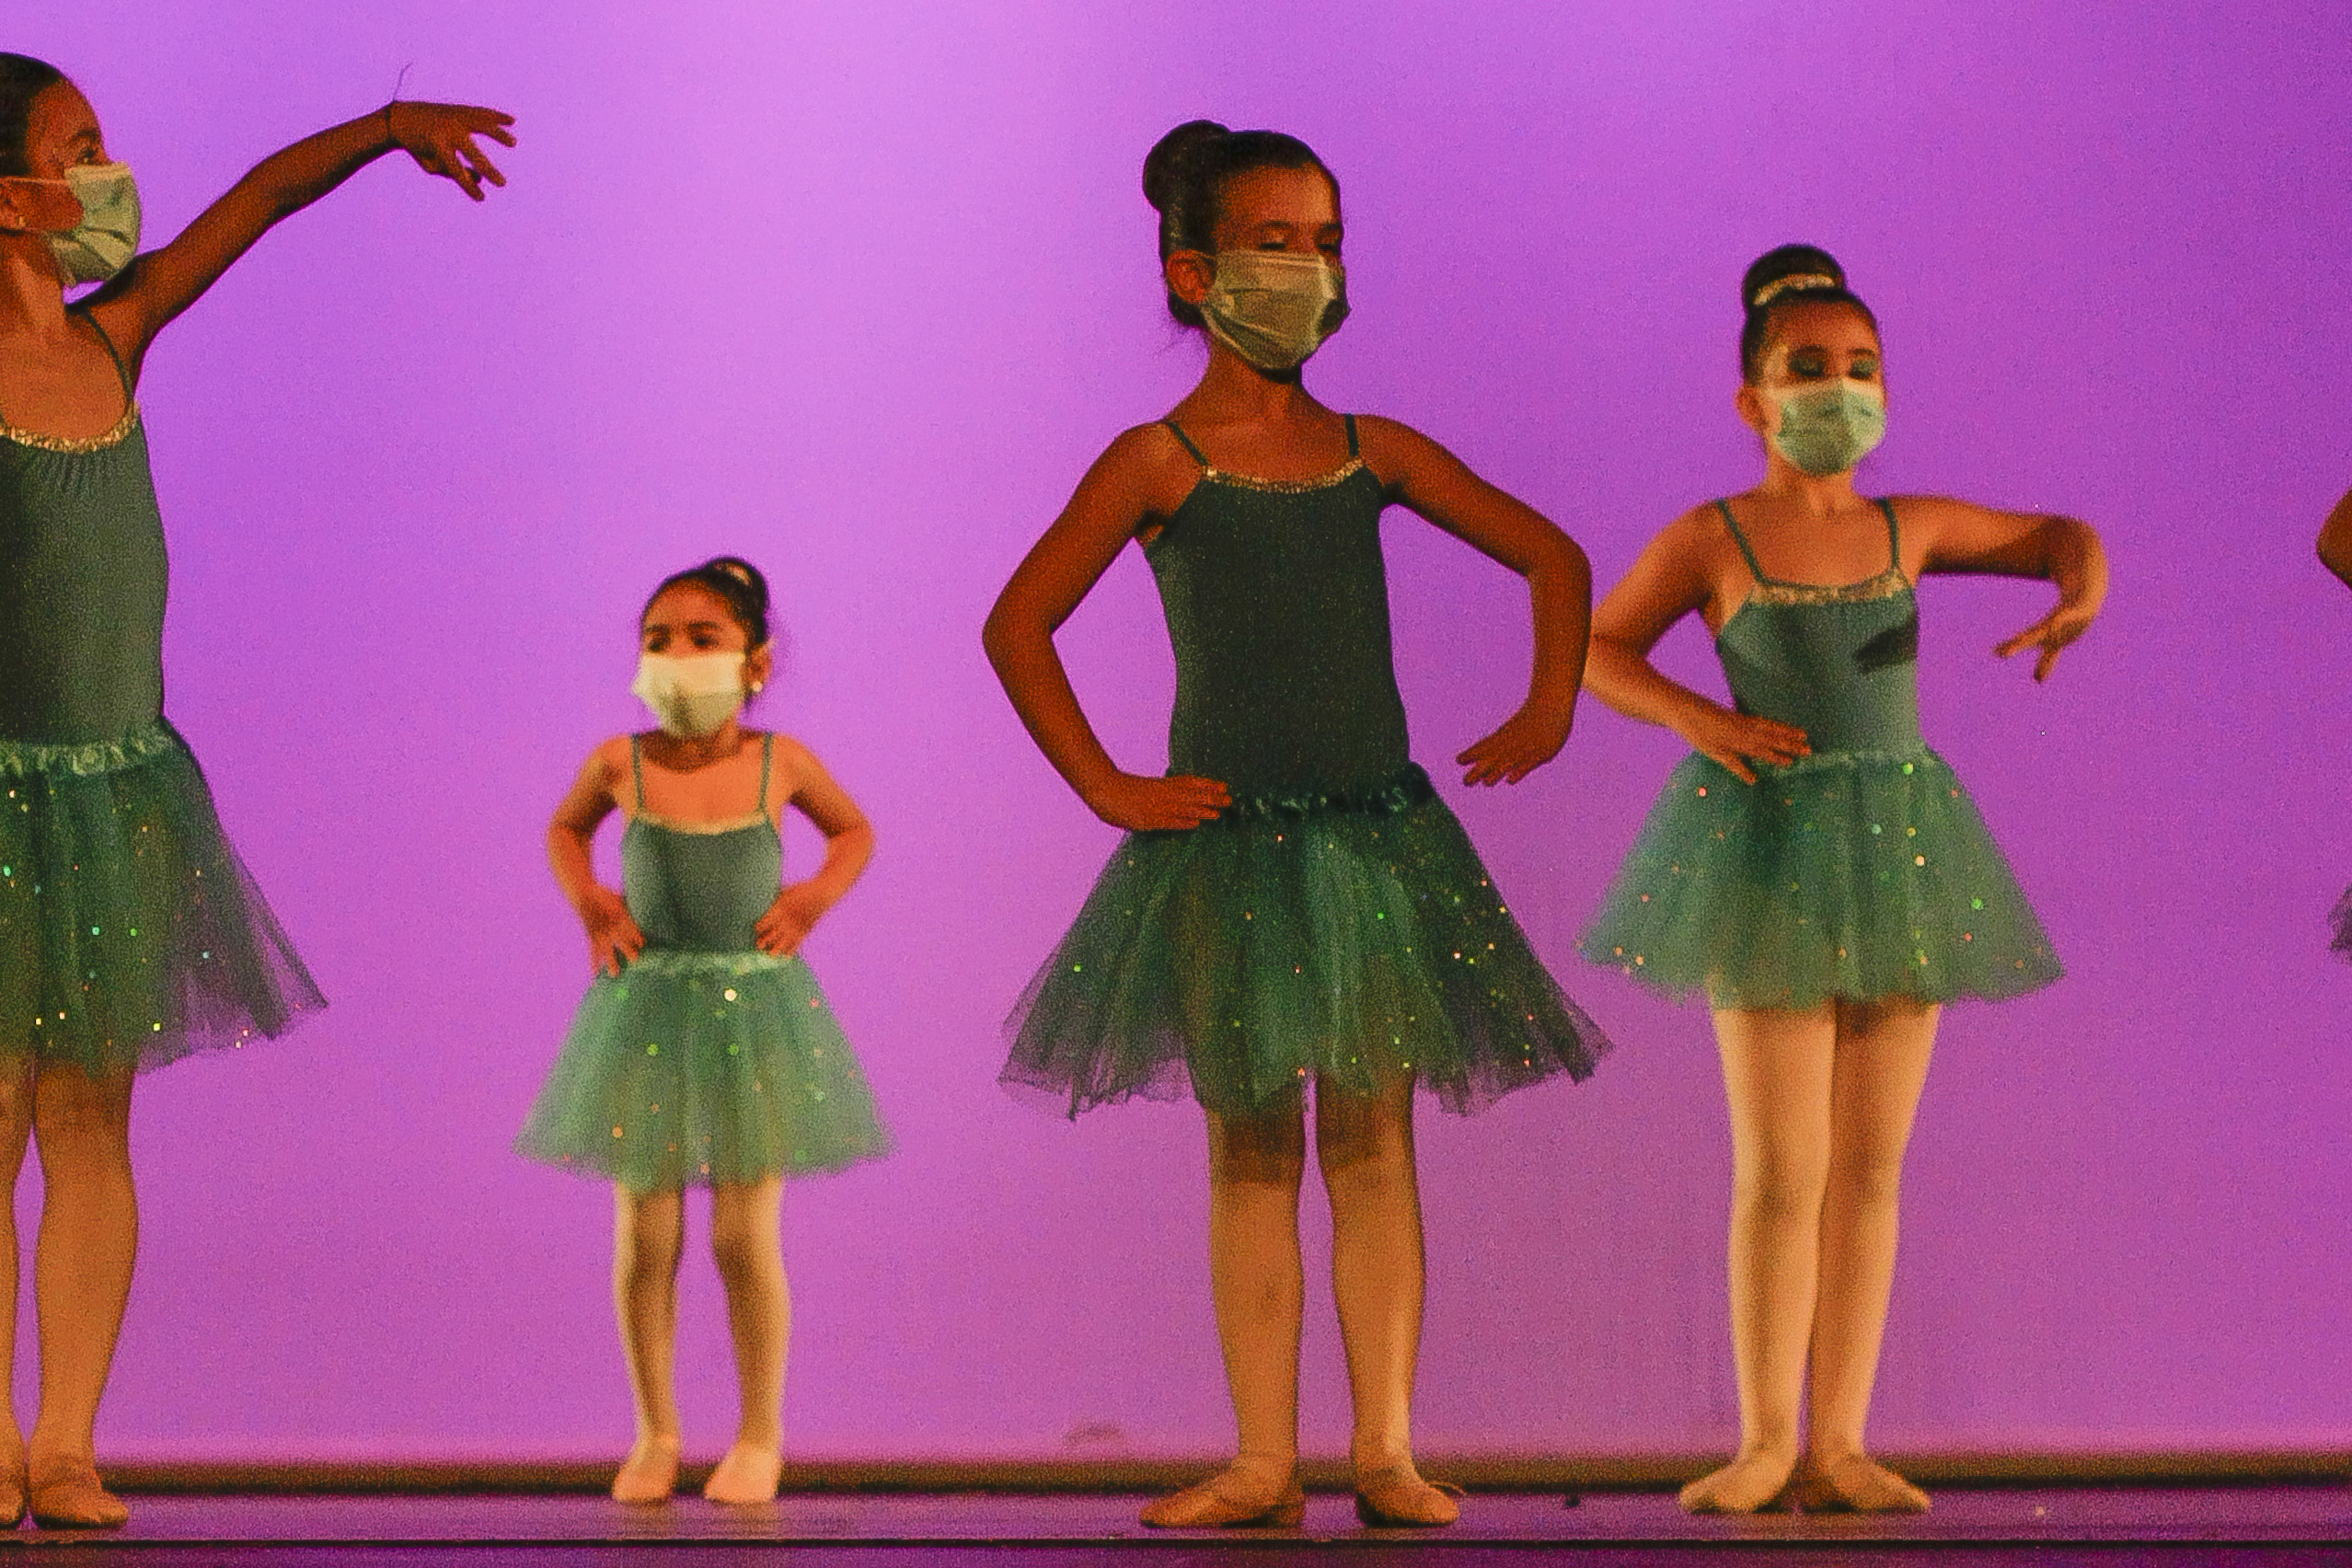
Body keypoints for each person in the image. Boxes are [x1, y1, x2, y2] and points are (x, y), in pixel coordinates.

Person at [984, 120, 1610, 1531]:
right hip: (1230, 847)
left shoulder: (1369, 451)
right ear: (1193, 272)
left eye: (1327, 243)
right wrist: (1106, 785)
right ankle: (1264, 1458)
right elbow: (1018, 624)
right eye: (1277, 244)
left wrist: (1548, 703)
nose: (1310, 269)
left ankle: (1385, 1450)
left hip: (1375, 842)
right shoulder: (1156, 463)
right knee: (1253, 1148)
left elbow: (1552, 555)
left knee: (1376, 1142)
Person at [0, 54, 513, 1529]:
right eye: (78, 148)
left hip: (113, 792)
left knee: (89, 1119)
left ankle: (67, 1445)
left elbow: (261, 200)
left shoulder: (118, 334)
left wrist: (389, 128)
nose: (108, 173)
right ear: (10, 196)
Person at [1579, 245, 2104, 1514]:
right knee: (1781, 1170)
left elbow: (2061, 536)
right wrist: (1698, 718)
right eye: (1808, 368)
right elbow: (1596, 647)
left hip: (1900, 852)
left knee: (1872, 1168)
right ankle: (1766, 1438)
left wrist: (2081, 593)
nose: (1839, 389)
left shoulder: (1907, 526)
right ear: (1753, 398)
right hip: (1766, 858)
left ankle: (1843, 1441)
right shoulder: (1711, 536)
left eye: (1861, 367)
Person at [519, 558, 889, 1506]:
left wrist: (809, 900)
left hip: (755, 1015)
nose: (678, 656)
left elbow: (853, 831)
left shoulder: (780, 762)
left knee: (741, 1235)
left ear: (754, 662)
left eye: (703, 638)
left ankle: (761, 1434)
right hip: (646, 1011)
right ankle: (657, 1431)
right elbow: (565, 830)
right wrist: (592, 904)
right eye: (659, 640)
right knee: (647, 1234)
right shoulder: (620, 762)